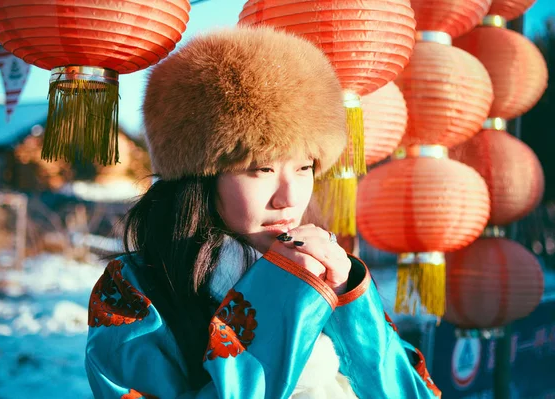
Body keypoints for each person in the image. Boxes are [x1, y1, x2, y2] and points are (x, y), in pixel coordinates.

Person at [85, 26, 441, 399]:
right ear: (199, 178)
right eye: (262, 169)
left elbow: (415, 392)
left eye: (305, 168)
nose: (288, 198)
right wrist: (281, 302)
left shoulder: (329, 272)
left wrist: (351, 300)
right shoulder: (131, 291)